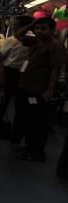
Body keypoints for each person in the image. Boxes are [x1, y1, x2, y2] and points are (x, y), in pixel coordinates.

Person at [14, 17, 66, 162]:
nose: (39, 31)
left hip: (39, 90)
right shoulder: (36, 41)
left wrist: (49, 91)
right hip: (27, 87)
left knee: (38, 122)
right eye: (37, 28)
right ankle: (29, 146)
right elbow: (18, 35)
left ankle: (37, 152)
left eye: (43, 28)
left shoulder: (55, 46)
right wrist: (31, 24)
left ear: (52, 30)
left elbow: (55, 70)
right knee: (30, 119)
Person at [0, 15, 34, 140]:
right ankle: (17, 135)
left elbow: (1, 56)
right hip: (25, 74)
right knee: (21, 106)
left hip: (9, 73)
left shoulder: (12, 40)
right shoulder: (34, 41)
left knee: (2, 103)